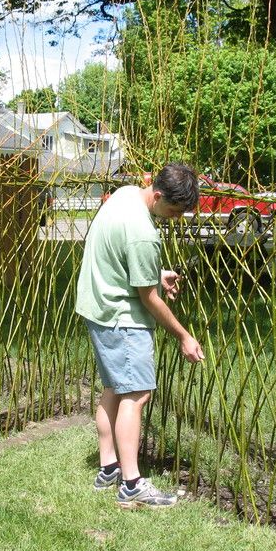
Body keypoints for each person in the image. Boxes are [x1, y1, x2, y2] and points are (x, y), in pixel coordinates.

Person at [75, 162, 205, 509]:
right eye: (175, 210)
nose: (177, 218)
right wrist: (184, 336)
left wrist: (153, 273)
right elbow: (149, 299)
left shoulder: (126, 195)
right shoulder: (143, 233)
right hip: (122, 318)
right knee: (136, 395)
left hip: (97, 306)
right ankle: (132, 484)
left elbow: (117, 253)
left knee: (114, 389)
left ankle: (108, 468)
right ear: (158, 194)